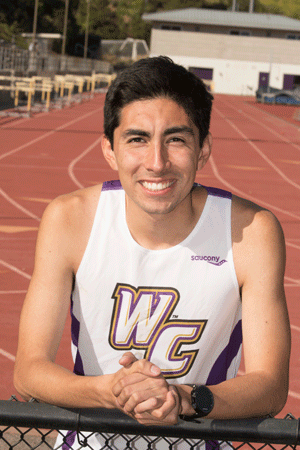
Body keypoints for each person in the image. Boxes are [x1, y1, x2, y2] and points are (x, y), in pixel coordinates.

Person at [14, 56, 290, 448]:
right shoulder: (70, 220)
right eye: (137, 139)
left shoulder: (251, 233)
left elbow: (271, 386)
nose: (156, 163)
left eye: (176, 139)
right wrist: (113, 391)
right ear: (110, 150)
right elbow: (28, 372)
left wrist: (184, 398)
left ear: (204, 149)